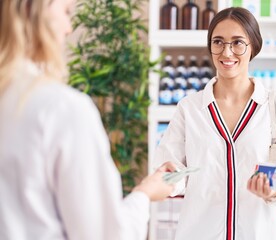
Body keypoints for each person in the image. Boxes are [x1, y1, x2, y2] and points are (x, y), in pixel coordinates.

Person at [0, 0, 175, 239]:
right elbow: (104, 235)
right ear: (33, 10)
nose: (69, 28)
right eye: (66, 12)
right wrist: (144, 194)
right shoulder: (61, 108)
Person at [155, 7, 276, 240]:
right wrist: (168, 179)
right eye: (218, 42)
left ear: (253, 47)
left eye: (238, 43)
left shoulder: (275, 105)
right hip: (200, 233)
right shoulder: (190, 108)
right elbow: (171, 171)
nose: (227, 52)